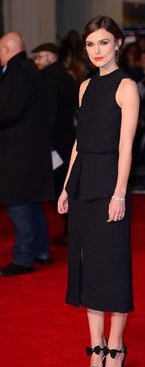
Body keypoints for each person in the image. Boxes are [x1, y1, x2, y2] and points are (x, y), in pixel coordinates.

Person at [58, 16, 139, 367]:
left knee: (113, 264)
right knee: (86, 263)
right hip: (81, 181)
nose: (97, 51)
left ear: (118, 44)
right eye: (91, 44)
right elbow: (79, 141)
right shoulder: (85, 86)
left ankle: (117, 345)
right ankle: (96, 344)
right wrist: (65, 187)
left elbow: (125, 147)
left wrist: (119, 193)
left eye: (104, 43)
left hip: (109, 180)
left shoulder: (126, 86)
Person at [0, 32, 54, 276]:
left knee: (18, 202)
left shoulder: (18, 71)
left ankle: (23, 258)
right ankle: (40, 250)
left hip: (18, 151)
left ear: (7, 48)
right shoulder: (29, 69)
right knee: (31, 202)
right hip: (32, 148)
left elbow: (9, 111)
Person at [32, 42, 77, 245]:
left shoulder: (49, 80)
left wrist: (45, 143)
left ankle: (73, 230)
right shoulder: (66, 77)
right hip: (68, 140)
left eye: (40, 57)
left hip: (55, 144)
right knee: (65, 187)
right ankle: (72, 230)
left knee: (56, 189)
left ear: (52, 57)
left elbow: (50, 114)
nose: (36, 61)